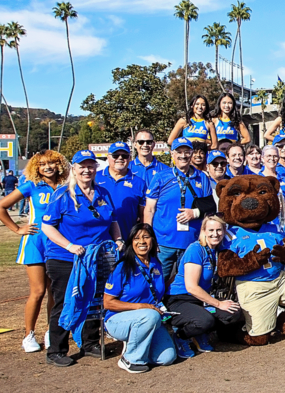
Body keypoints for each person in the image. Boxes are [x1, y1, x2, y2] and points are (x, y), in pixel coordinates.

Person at [41, 150, 122, 367]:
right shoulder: (62, 194)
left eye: (91, 166)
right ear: (74, 169)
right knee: (67, 301)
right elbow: (47, 226)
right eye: (82, 166)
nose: (87, 170)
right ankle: (57, 349)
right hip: (66, 258)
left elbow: (112, 221)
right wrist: (69, 246)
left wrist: (119, 239)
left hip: (97, 257)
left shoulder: (103, 192)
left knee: (94, 300)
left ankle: (90, 342)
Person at [0, 149, 68, 353]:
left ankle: (51, 331)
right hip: (36, 243)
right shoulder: (31, 186)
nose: (47, 167)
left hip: (58, 244)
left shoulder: (66, 187)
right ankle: (28, 334)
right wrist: (17, 228)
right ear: (36, 168)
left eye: (52, 163)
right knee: (38, 291)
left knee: (55, 292)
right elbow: (2, 206)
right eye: (42, 164)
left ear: (59, 165)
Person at [163, 218, 241, 358]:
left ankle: (200, 332)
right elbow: (191, 287)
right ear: (203, 231)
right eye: (211, 230)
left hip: (200, 301)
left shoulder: (217, 251)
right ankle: (181, 336)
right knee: (205, 320)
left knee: (233, 312)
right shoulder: (195, 249)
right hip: (181, 299)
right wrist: (218, 303)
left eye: (219, 230)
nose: (215, 234)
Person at [102, 224, 176, 373]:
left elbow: (158, 293)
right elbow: (108, 303)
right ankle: (130, 359)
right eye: (137, 238)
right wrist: (142, 307)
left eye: (146, 237)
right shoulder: (123, 267)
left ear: (153, 241)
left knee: (167, 357)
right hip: (118, 320)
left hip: (149, 318)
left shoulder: (156, 264)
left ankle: (137, 345)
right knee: (150, 315)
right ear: (131, 242)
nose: (142, 241)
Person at [145, 138, 217, 284]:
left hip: (191, 242)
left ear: (191, 154)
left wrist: (194, 213)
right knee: (158, 283)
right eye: (179, 152)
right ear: (172, 154)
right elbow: (149, 209)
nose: (183, 156)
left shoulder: (202, 177)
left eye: (187, 152)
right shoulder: (161, 177)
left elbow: (210, 208)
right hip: (163, 243)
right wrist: (149, 237)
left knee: (187, 285)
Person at [96, 142, 147, 241]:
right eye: (115, 155)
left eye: (124, 156)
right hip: (99, 239)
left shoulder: (139, 183)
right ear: (108, 157)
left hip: (127, 239)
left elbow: (143, 215)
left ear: (129, 158)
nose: (120, 158)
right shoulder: (95, 178)